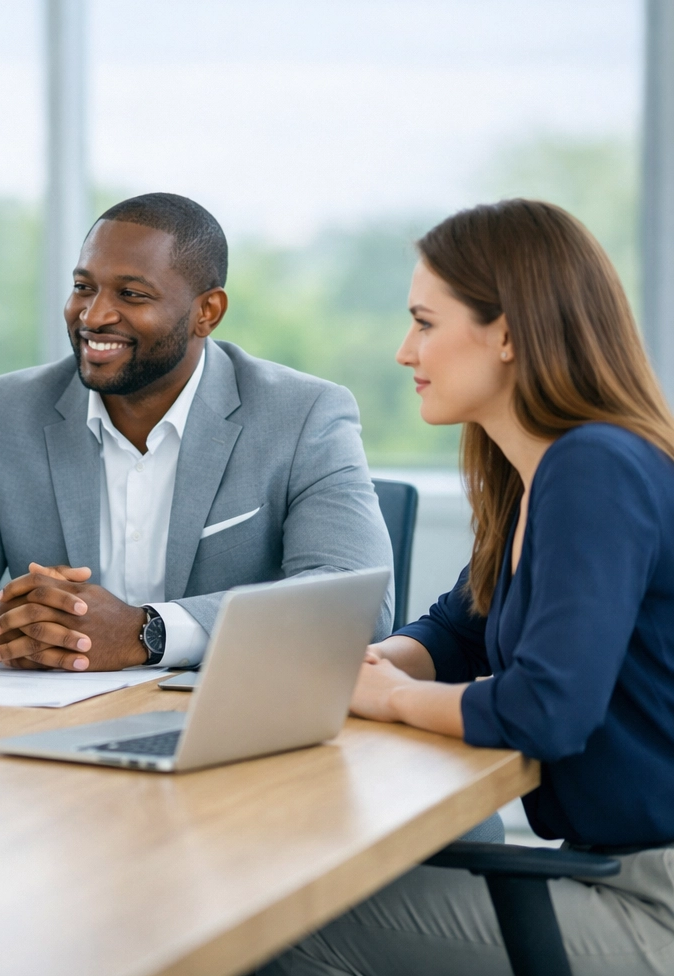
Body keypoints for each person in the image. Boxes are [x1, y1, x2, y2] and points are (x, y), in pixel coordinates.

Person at [262, 199, 674, 975]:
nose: (402, 350)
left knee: (281, 919)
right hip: (621, 869)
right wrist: (369, 667)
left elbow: (547, 710)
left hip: (654, 900)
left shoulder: (596, 470)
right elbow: (459, 628)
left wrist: (388, 699)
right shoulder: (538, 477)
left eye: (424, 322)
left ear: (509, 334)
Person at [0, 192, 393, 671]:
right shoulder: (5, 413)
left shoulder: (303, 415)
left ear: (206, 313)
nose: (94, 315)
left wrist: (147, 633)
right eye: (83, 287)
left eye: (132, 294)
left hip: (228, 728)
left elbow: (352, 598)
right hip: (46, 727)